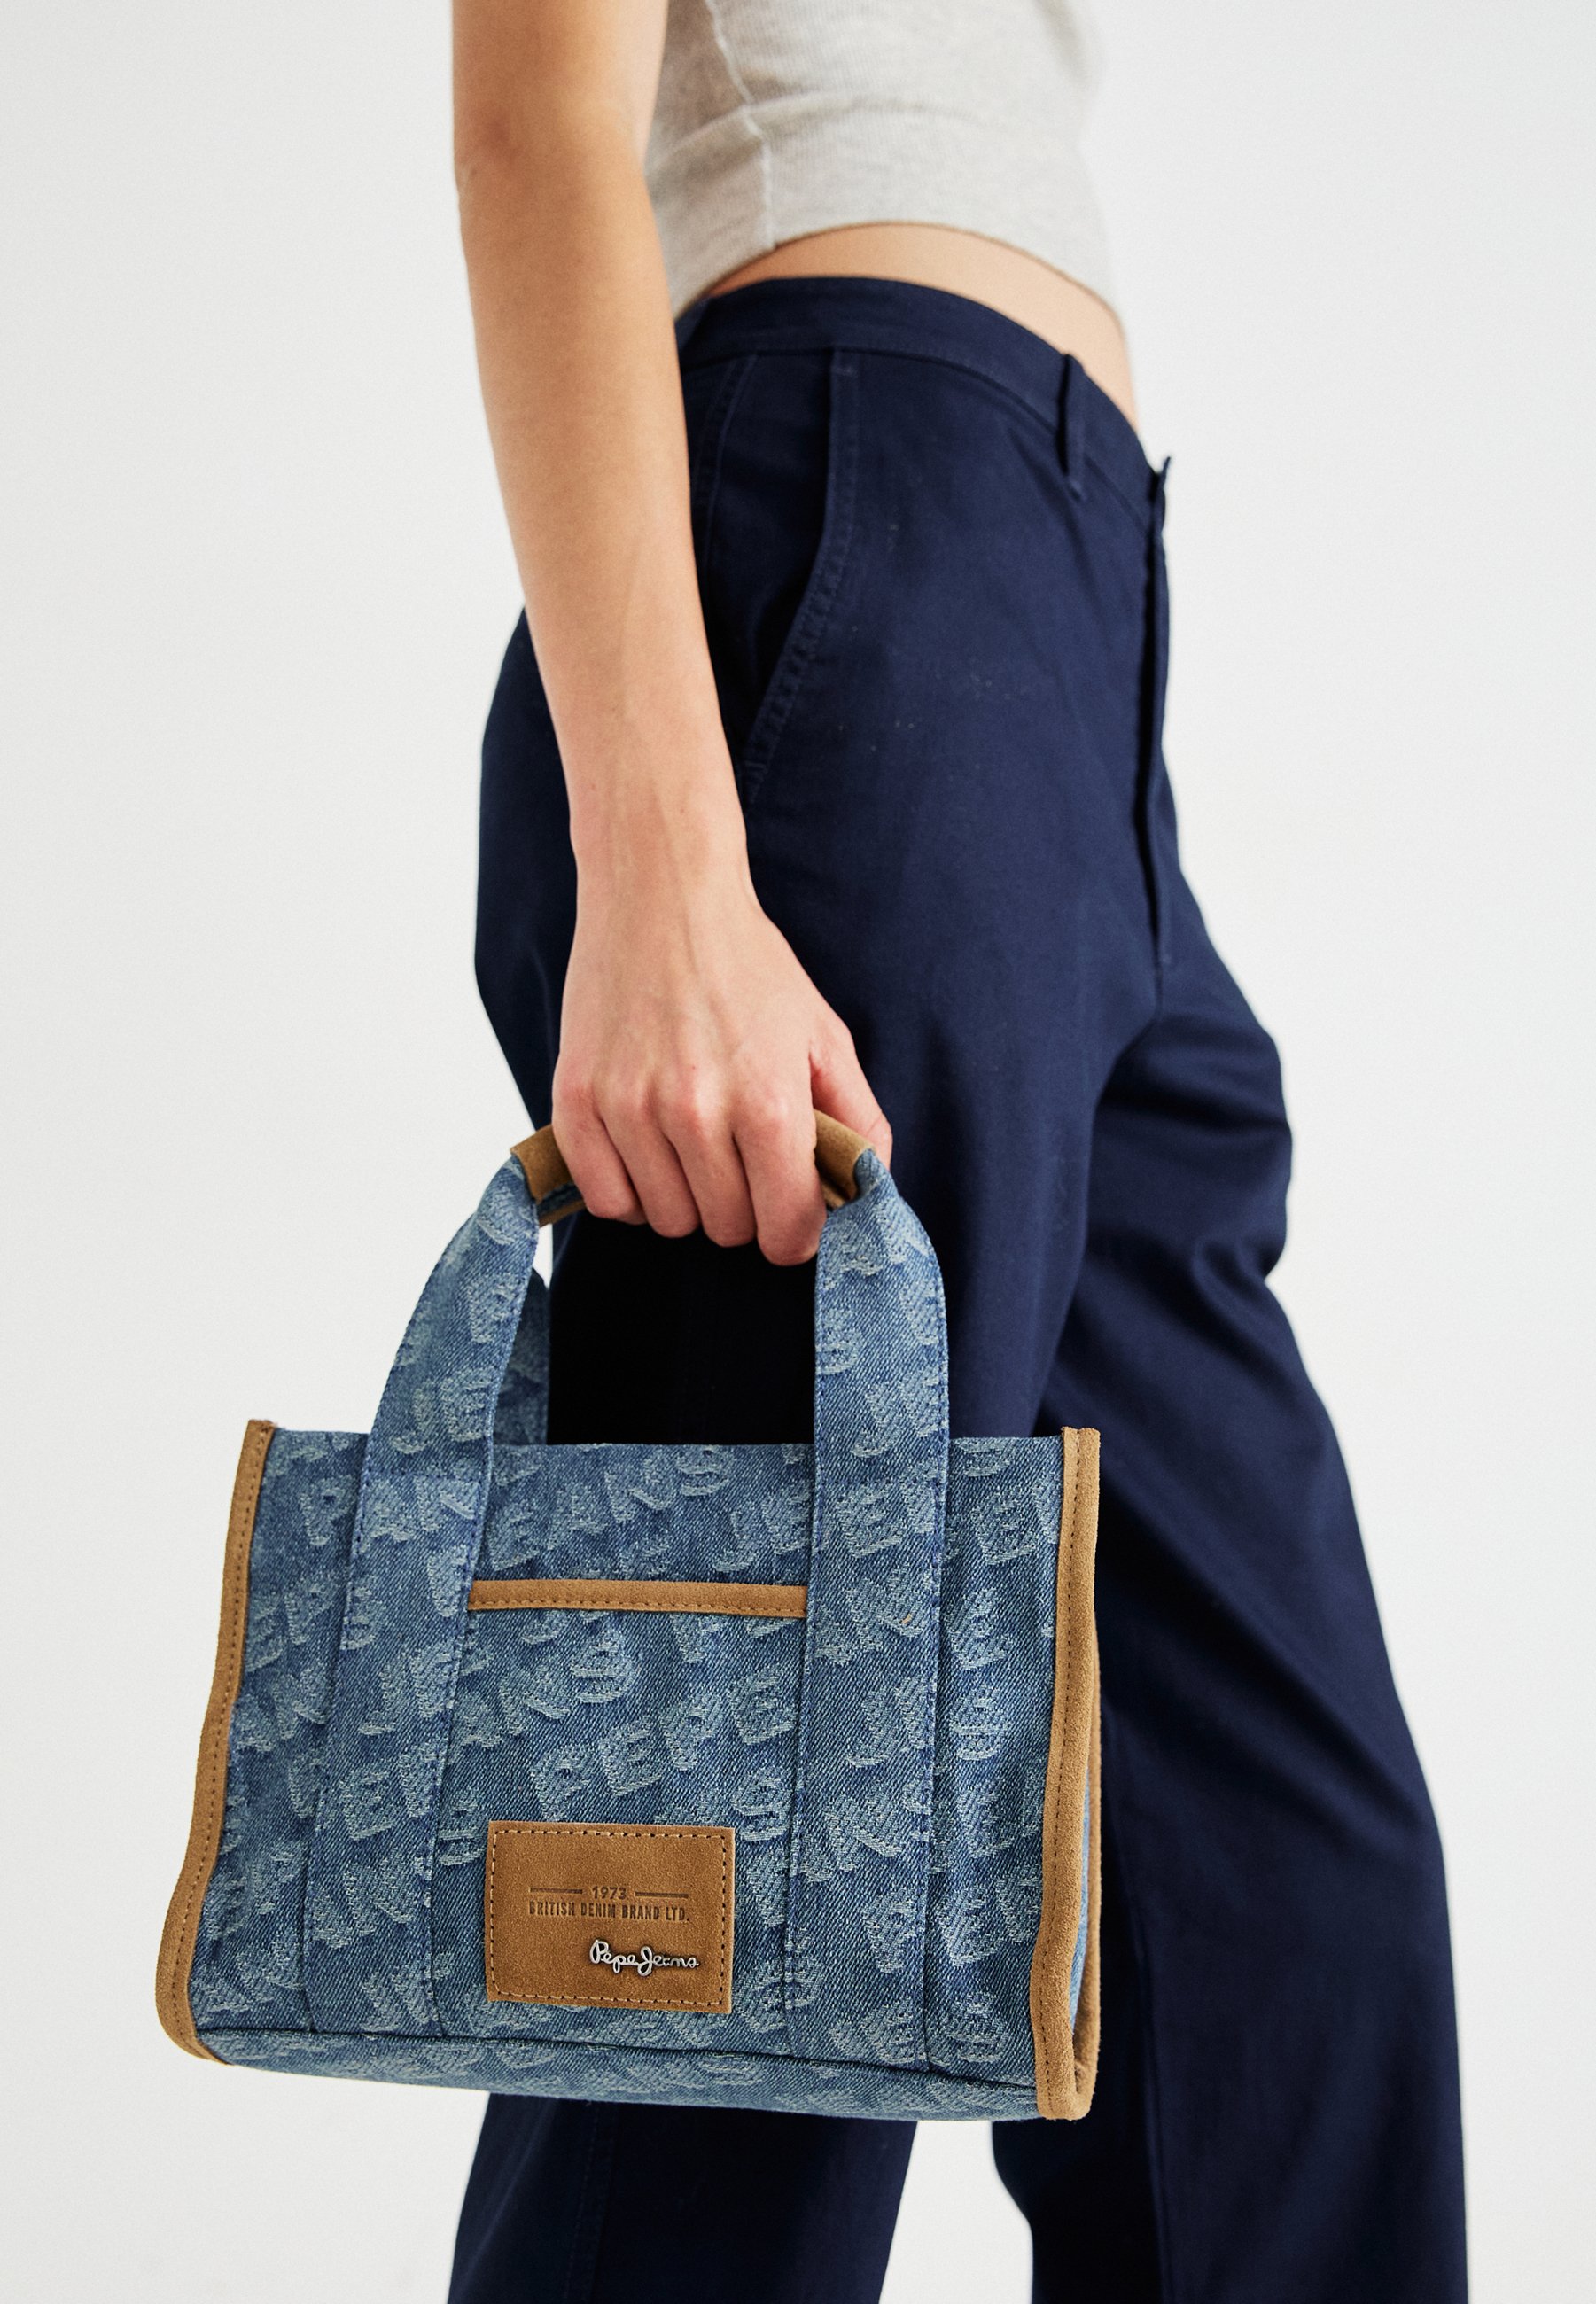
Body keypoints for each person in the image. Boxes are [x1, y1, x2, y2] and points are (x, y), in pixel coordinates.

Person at [446, 4, 1468, 2300]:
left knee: (1273, 1917)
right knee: (752, 1919)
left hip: (1058, 623)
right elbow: (532, 124)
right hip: (846, 535)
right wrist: (663, 873)